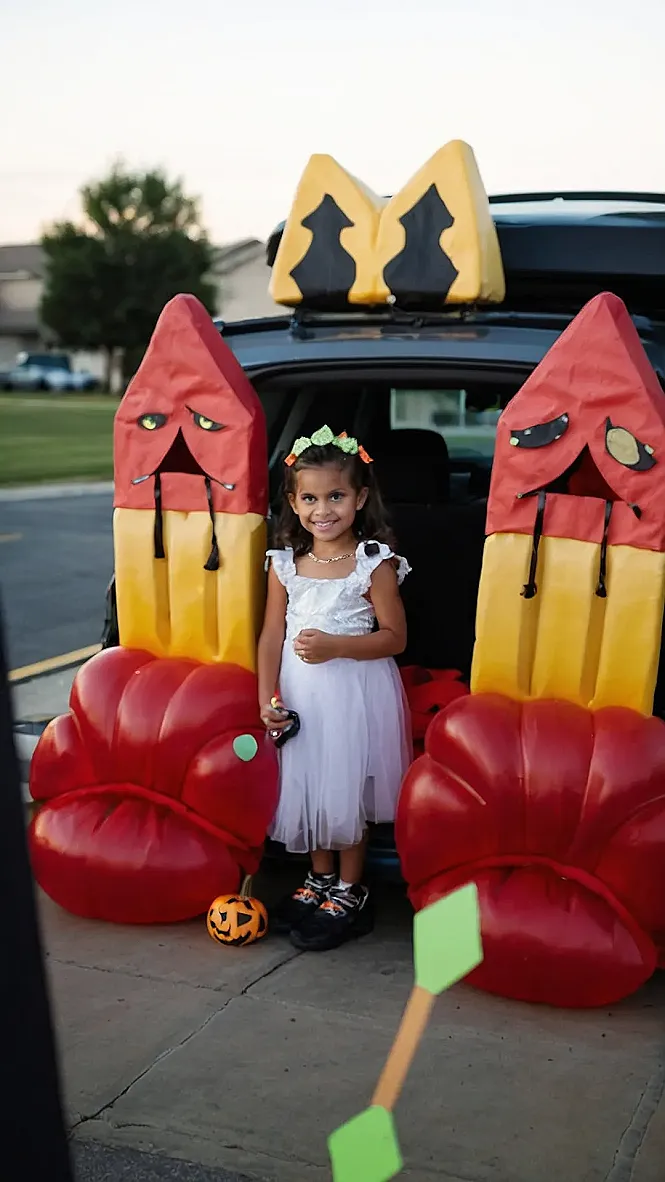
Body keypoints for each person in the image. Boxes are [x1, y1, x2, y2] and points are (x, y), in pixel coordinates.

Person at [258, 424, 412, 952]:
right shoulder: (284, 563)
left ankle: (350, 888)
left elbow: (394, 639)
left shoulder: (375, 563)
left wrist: (336, 647)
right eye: (309, 497)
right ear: (293, 501)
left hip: (353, 694)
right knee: (309, 786)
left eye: (336, 496)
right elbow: (270, 635)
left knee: (345, 788)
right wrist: (267, 698)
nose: (323, 509)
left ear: (360, 498)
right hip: (301, 696)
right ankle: (318, 877)